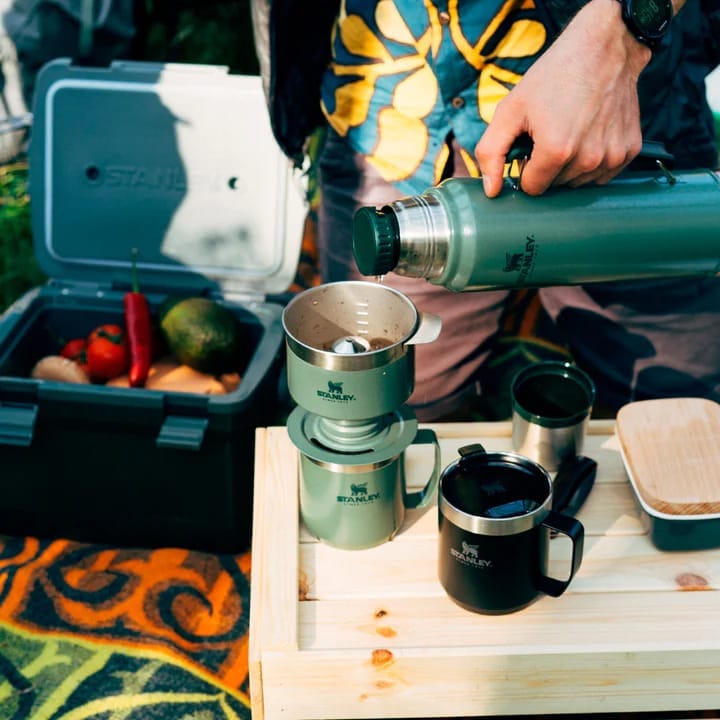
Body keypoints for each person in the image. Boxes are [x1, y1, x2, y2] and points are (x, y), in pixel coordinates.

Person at [252, 0, 720, 421]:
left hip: (620, 120)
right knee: (382, 410)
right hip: (399, 114)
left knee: (679, 412)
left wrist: (623, 32)